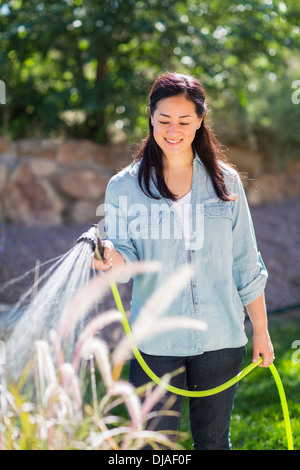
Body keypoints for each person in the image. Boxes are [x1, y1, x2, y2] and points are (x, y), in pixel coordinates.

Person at [93, 72, 274, 450]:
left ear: (200, 120)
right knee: (152, 446)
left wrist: (261, 329)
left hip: (221, 337)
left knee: (212, 442)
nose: (173, 131)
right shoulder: (123, 187)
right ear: (150, 118)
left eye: (184, 122)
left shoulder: (226, 183)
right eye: (164, 121)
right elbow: (127, 262)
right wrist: (111, 258)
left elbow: (245, 260)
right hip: (155, 340)